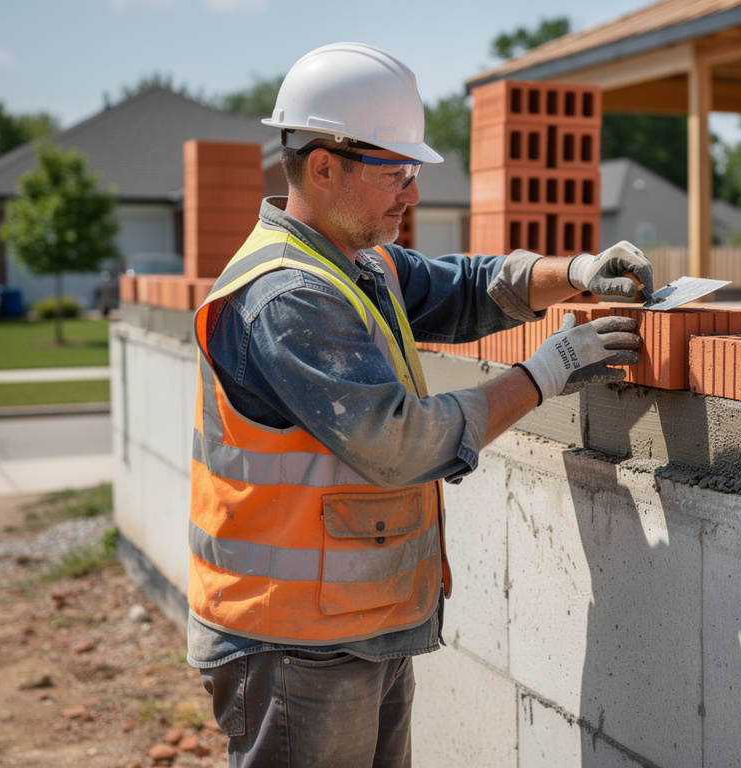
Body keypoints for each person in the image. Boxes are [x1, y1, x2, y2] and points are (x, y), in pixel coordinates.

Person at [186, 42, 650, 767]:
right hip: (292, 642)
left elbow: (467, 287)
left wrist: (577, 271)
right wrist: (546, 372)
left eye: (413, 174)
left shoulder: (358, 262)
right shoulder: (287, 296)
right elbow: (398, 446)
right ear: (323, 166)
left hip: (357, 623)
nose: (412, 193)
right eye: (396, 174)